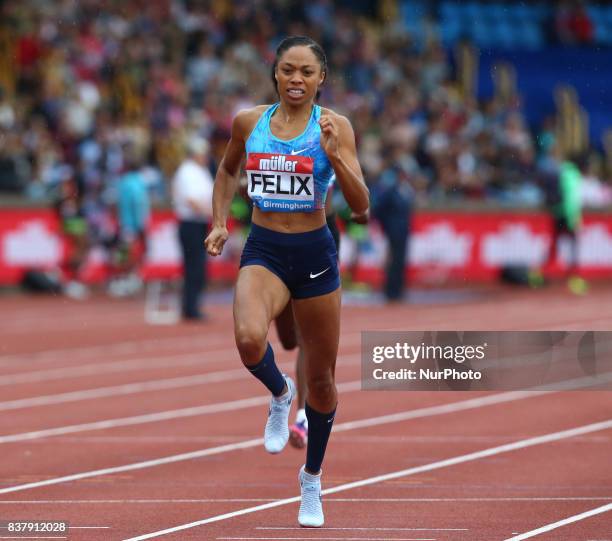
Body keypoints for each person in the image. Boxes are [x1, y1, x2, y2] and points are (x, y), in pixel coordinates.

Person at [205, 36, 369, 527]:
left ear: (322, 79)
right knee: (249, 338)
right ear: (274, 73)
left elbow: (361, 207)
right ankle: (279, 395)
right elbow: (227, 169)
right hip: (265, 249)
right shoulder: (248, 122)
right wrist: (220, 222)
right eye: (288, 70)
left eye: (307, 72)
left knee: (321, 381)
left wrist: (336, 157)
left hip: (316, 255)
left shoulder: (335, 126)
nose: (296, 79)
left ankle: (312, 480)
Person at [173, 136, 214, 320]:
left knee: (198, 266)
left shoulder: (200, 171)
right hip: (191, 223)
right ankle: (190, 307)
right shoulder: (187, 172)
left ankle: (192, 305)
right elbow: (191, 200)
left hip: (199, 223)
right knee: (194, 267)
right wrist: (211, 213)